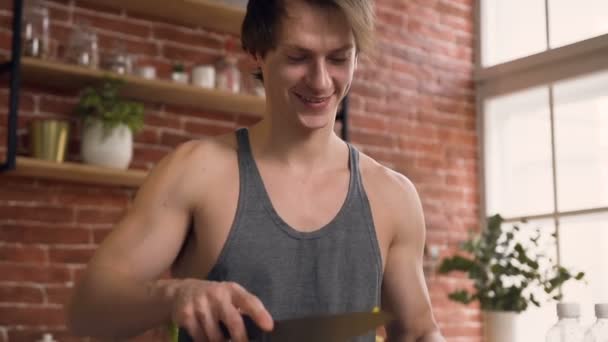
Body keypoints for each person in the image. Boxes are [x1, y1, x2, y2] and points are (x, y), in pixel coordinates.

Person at [67, 1, 446, 341]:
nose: (320, 80)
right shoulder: (196, 171)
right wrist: (175, 295)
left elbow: (418, 331)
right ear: (257, 53)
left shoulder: (393, 196)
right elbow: (87, 311)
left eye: (338, 58)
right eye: (299, 57)